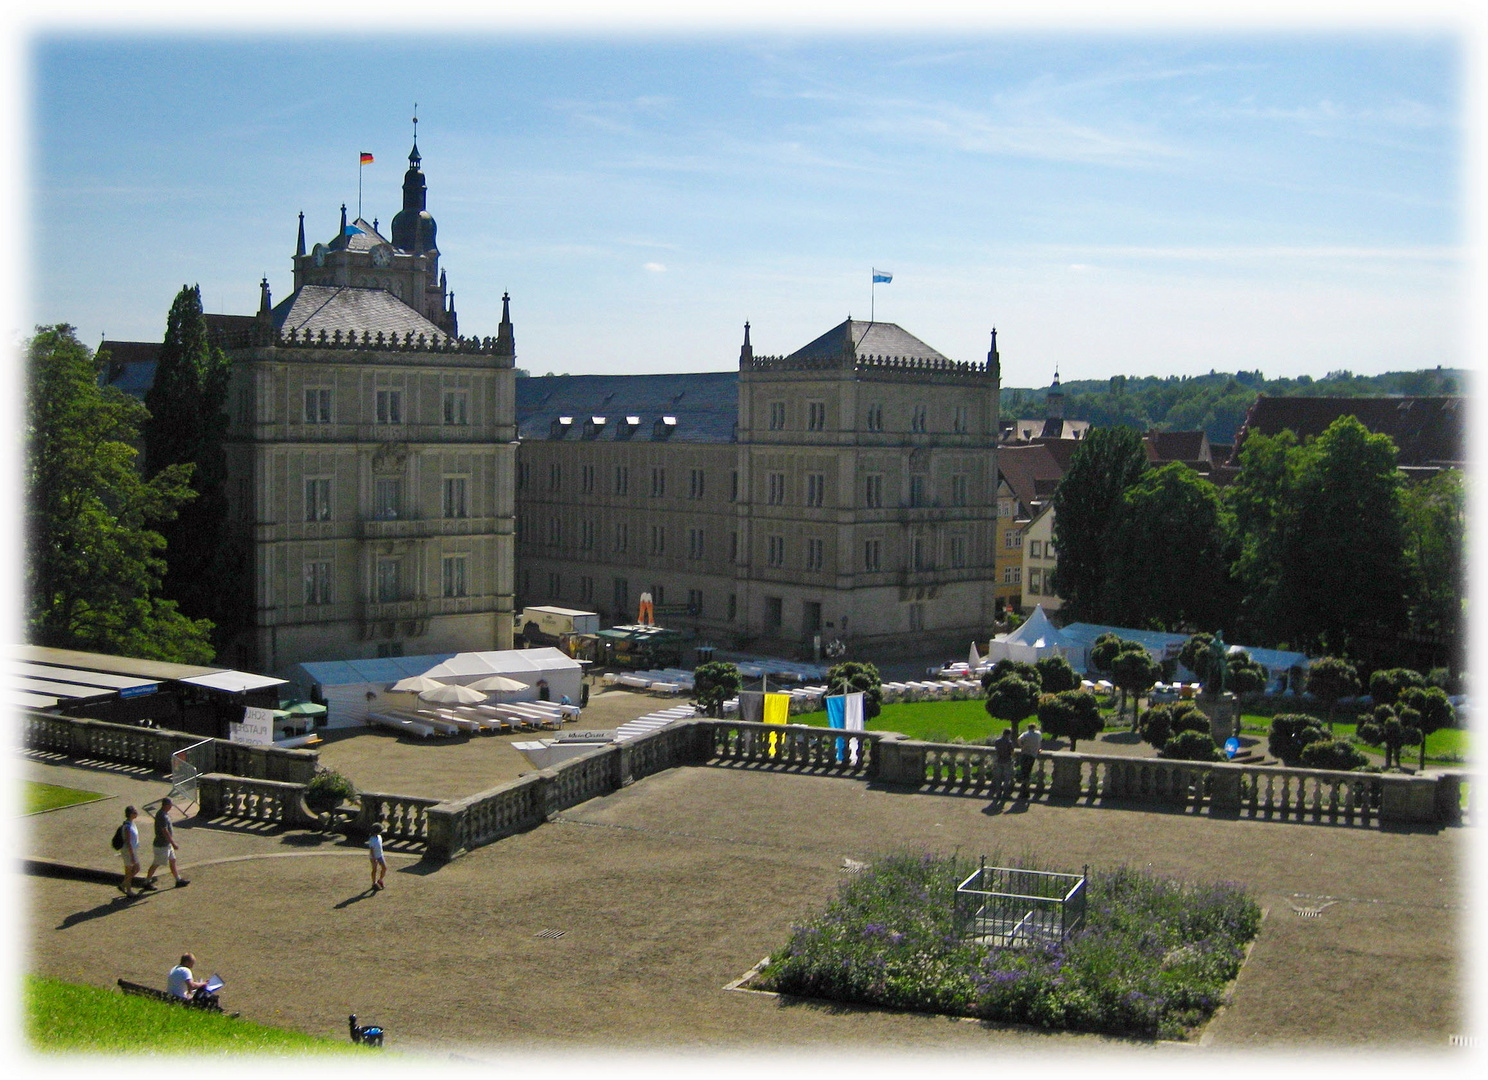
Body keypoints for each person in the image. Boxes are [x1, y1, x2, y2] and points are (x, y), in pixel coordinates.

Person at [144, 797, 189, 889]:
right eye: (170, 804)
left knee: (173, 861)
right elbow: (164, 831)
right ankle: (146, 882)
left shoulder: (164, 814)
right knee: (156, 863)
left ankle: (178, 880)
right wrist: (173, 843)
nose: (171, 806)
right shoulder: (162, 816)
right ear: (166, 805)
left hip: (166, 844)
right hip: (161, 845)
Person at [117, 806, 141, 897]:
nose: (136, 813)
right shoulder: (127, 826)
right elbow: (128, 842)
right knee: (131, 870)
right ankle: (128, 890)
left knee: (134, 869)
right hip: (128, 852)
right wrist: (132, 856)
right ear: (130, 814)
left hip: (132, 851)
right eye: (135, 812)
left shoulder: (131, 823)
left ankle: (124, 885)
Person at [991, 728, 1016, 800]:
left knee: (998, 778)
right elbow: (1012, 752)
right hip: (1007, 761)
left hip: (999, 761)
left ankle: (998, 793)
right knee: (1006, 778)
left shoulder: (997, 741)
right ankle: (1005, 794)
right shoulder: (1009, 742)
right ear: (1008, 734)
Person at [368, 822, 387, 891]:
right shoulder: (372, 839)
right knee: (374, 870)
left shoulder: (379, 837)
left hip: (380, 855)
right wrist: (373, 858)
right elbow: (371, 850)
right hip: (374, 857)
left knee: (384, 868)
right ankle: (374, 883)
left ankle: (380, 880)